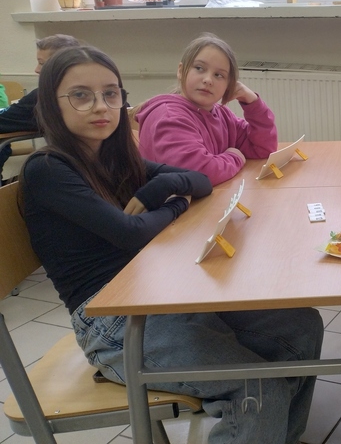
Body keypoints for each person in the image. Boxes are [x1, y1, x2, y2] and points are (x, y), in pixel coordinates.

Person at [20, 46, 324, 444]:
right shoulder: (48, 169)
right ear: (50, 102)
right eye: (81, 95)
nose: (100, 106)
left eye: (111, 94)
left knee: (301, 326)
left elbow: (199, 180)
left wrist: (163, 187)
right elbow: (130, 233)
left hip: (159, 293)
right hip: (111, 320)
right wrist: (177, 203)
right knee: (257, 389)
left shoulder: (116, 158)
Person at [136, 33, 278, 185]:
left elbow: (262, 148)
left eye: (219, 75)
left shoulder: (221, 114)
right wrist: (234, 157)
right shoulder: (169, 116)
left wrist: (252, 102)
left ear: (229, 85)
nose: (208, 80)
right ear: (181, 71)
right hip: (173, 199)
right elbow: (197, 173)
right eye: (199, 68)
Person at [0, 34, 81, 174]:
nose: (37, 70)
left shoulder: (44, 95)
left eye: (42, 63)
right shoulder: (90, 91)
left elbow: (4, 120)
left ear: (62, 65)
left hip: (68, 166)